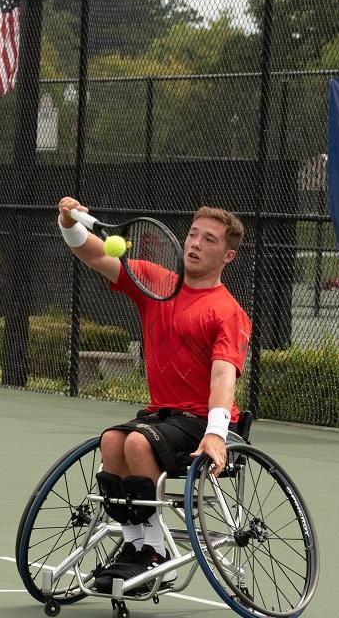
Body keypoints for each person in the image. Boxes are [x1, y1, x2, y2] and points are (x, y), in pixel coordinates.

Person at [56, 196, 251, 593]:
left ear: (227, 256)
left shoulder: (227, 311)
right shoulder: (157, 283)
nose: (195, 244)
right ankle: (135, 546)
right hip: (161, 414)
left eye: (209, 240)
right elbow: (93, 254)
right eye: (193, 234)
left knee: (139, 445)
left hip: (201, 422)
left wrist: (215, 432)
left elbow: (223, 378)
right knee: (113, 441)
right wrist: (68, 222)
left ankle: (158, 555)